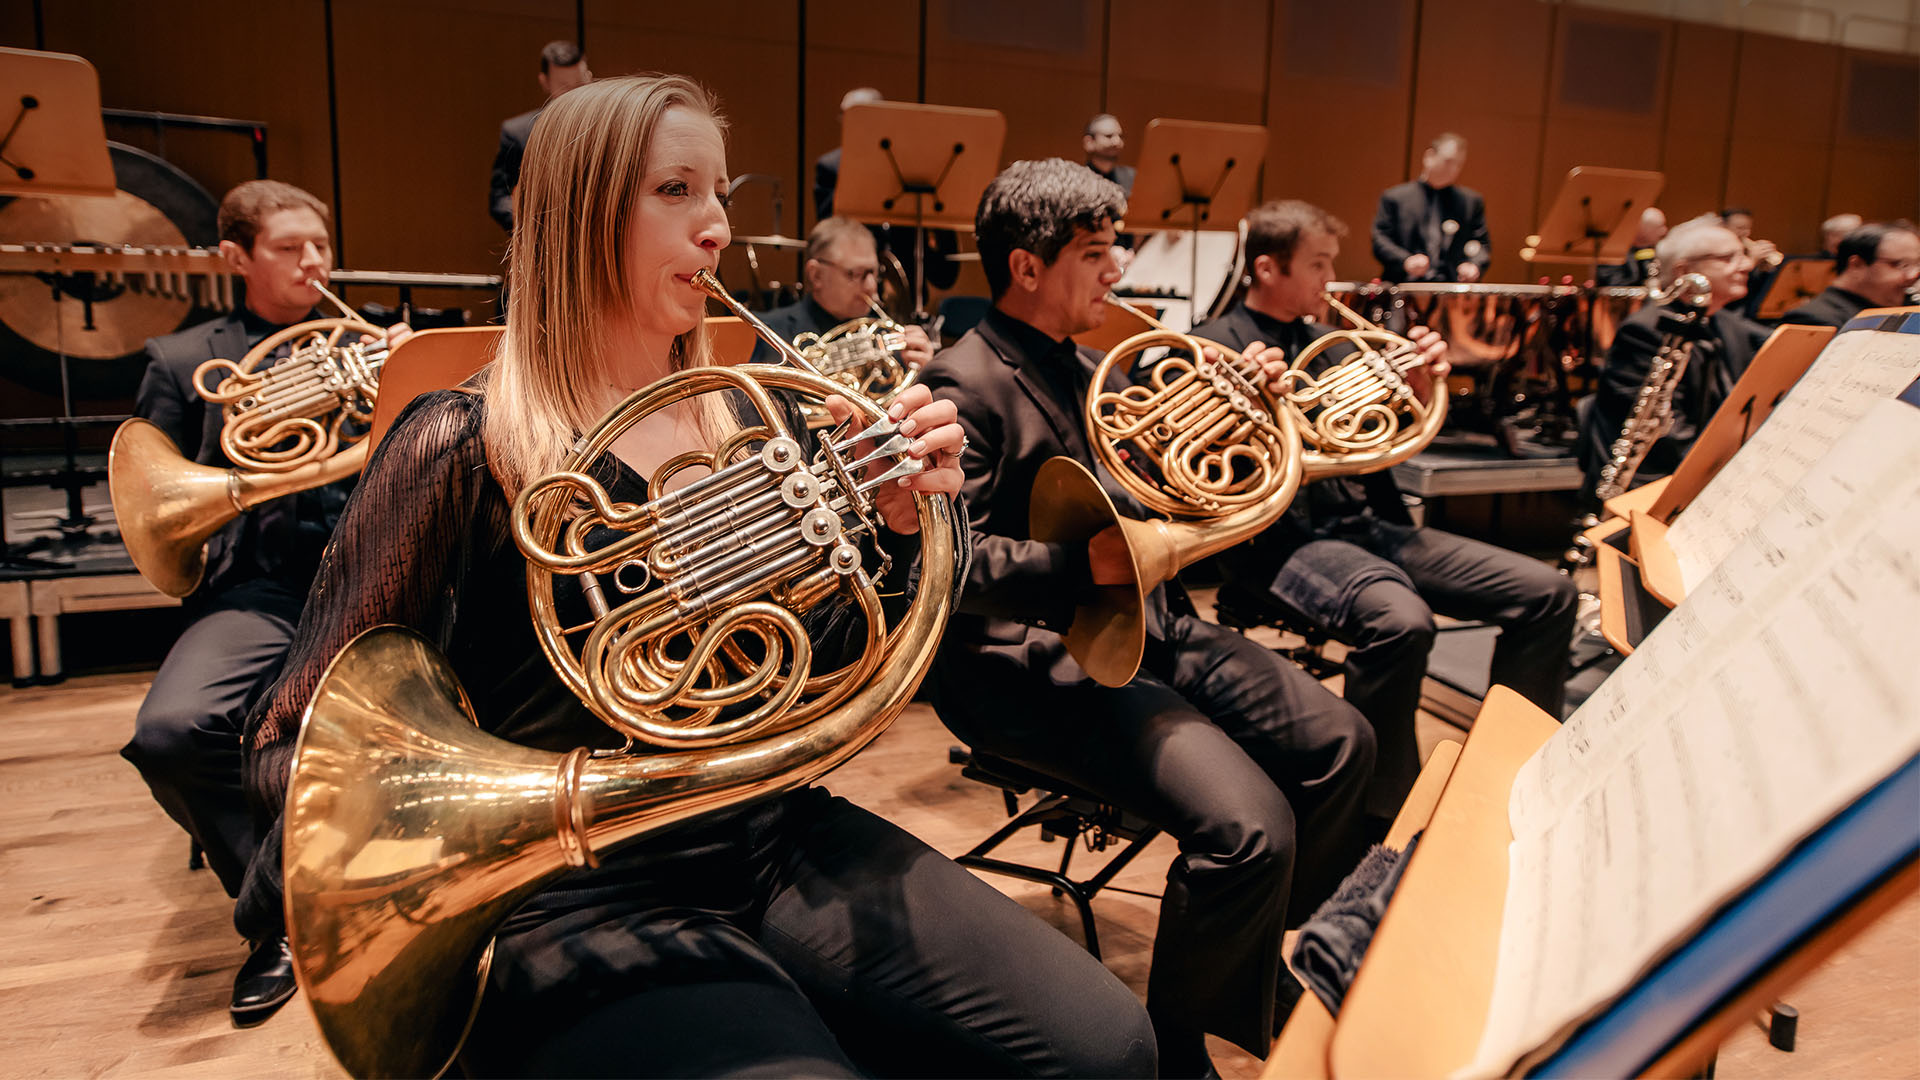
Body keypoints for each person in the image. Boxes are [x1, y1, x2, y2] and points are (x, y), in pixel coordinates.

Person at [235, 76, 1157, 1079]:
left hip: (769, 830)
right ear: (579, 216)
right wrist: (428, 821)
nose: (717, 228)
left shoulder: (759, 420)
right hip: (575, 886)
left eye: (718, 193)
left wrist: (897, 530)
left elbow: (834, 655)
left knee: (1110, 1049)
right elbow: (286, 740)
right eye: (676, 191)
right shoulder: (459, 444)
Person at [917, 158, 1376, 1078]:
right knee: (1249, 830)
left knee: (1343, 745)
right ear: (1027, 268)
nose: (1118, 271)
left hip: (1150, 627)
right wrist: (1070, 566)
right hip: (1026, 664)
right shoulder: (965, 382)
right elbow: (949, 567)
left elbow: (1171, 495)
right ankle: (1181, 1049)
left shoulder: (1092, 369)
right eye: (1097, 253)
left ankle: (1245, 967)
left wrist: (1251, 414)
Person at [1195, 199, 1576, 824]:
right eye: (1317, 265)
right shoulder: (1211, 346)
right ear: (1266, 269)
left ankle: (1509, 772)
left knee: (1549, 593)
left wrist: (1420, 387)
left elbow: (1380, 438)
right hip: (1279, 542)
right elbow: (1206, 470)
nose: (1329, 280)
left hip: (1373, 529)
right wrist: (1246, 400)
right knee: (1403, 621)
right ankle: (1381, 815)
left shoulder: (1333, 344)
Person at [122, 179, 376, 1026]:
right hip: (262, 590)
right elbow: (160, 508)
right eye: (287, 248)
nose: (313, 262)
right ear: (235, 258)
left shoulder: (376, 344)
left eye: (321, 246)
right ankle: (279, 920)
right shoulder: (186, 359)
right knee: (171, 734)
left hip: (377, 573)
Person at [1579, 215, 1770, 492]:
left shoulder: (1727, 323)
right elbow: (1667, 435)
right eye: (1727, 258)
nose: (1747, 265)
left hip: (1708, 471)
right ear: (1684, 271)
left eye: (1743, 254)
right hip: (1655, 483)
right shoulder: (1648, 330)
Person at [812, 86, 959, 304]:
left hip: (908, 284)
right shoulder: (832, 167)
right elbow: (831, 229)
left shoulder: (910, 165)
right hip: (856, 286)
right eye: (846, 116)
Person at [746, 215, 935, 371]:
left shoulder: (890, 339)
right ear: (816, 275)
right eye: (856, 274)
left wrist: (925, 371)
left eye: (874, 272)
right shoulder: (767, 333)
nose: (871, 286)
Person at [488, 40, 593, 233]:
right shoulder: (518, 132)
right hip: (541, 243)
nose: (575, 94)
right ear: (545, 82)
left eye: (580, 83)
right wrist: (529, 227)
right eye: (564, 86)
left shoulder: (608, 125)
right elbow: (500, 198)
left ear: (589, 76)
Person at [1371, 132, 1490, 284]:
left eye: (1458, 164)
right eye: (1448, 161)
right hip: (1402, 286)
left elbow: (1481, 244)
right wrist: (1405, 261)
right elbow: (1380, 239)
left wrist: (1474, 265)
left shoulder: (1470, 202)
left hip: (1451, 289)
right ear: (1429, 156)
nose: (1453, 169)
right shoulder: (1395, 198)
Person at [1779, 222, 1920, 329]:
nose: (1914, 275)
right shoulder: (1814, 320)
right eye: (1902, 265)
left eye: (1917, 264)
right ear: (1857, 265)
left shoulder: (1905, 308)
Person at [1596, 206, 1667, 287]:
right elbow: (1613, 284)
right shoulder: (1613, 252)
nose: (1664, 231)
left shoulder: (1661, 251)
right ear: (1643, 228)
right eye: (1660, 226)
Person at [1081, 113, 1134, 195]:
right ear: (1089, 142)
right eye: (1108, 136)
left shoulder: (1132, 177)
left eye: (1121, 136)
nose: (1117, 142)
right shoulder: (1077, 180)